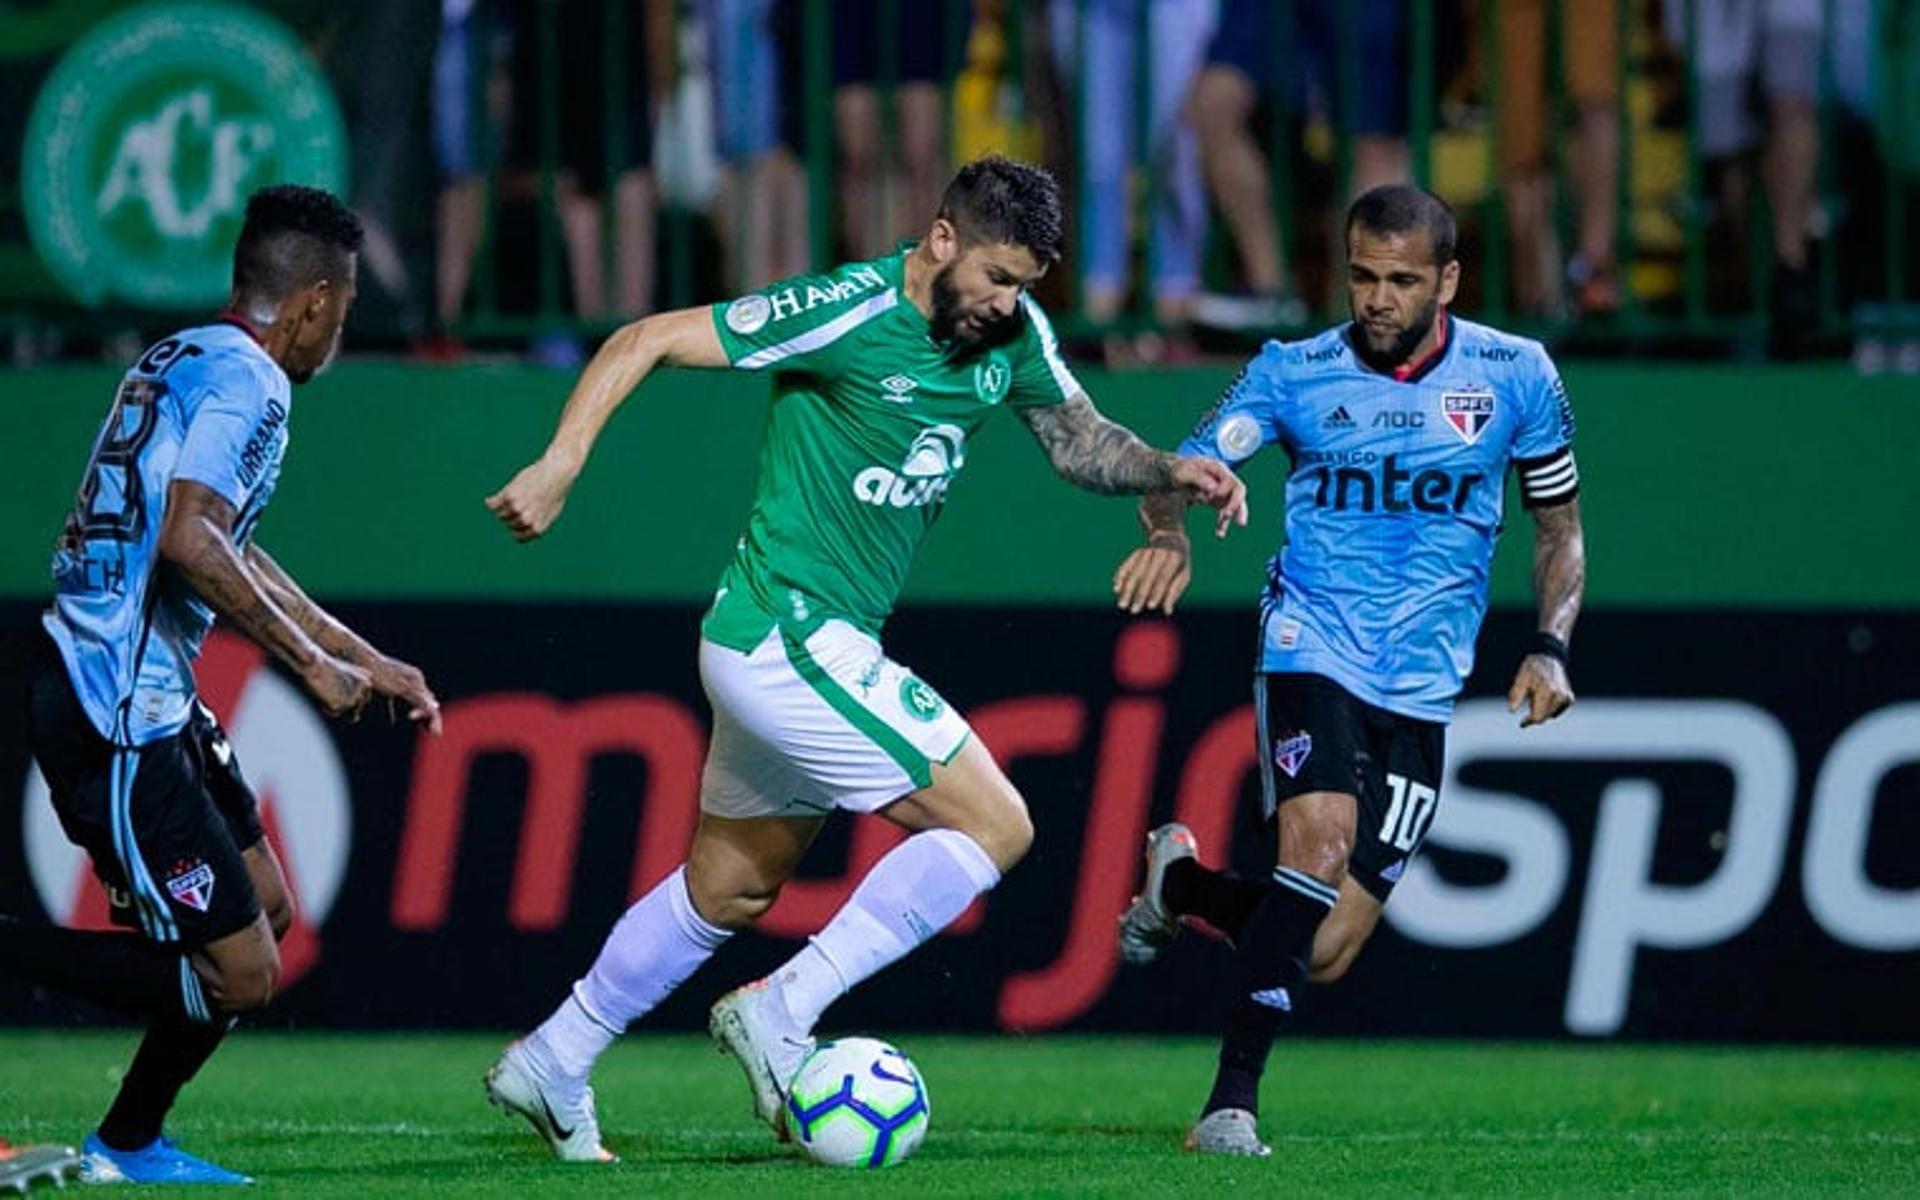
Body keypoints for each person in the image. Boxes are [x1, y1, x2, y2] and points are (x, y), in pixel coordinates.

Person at [481, 156, 1248, 1161]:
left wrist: (1166, 472)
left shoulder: (1010, 334)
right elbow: (648, 338)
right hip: (789, 632)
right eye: (999, 277)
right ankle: (784, 1009)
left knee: (730, 890)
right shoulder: (844, 308)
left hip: (790, 645)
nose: (1011, 302)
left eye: (1028, 284)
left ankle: (554, 1056)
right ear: (940, 241)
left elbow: (1077, 440)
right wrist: (563, 458)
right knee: (998, 823)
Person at [1111, 184, 1587, 1157]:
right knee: (1318, 849)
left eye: (1402, 281)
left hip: (1423, 684)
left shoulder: (1518, 375)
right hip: (1311, 644)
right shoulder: (1293, 373)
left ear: (1446, 280)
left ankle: (1185, 890)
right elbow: (1183, 466)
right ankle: (1229, 1106)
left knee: (1323, 946)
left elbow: (1560, 533)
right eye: (1362, 275)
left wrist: (1550, 642)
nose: (1376, 298)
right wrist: (1174, 530)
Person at [0, 186, 442, 1185]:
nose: (340, 328)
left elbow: (224, 538)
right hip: (111, 705)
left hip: (141, 690)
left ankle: (129, 1143)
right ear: (316, 303)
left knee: (269, 912)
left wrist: (357, 651)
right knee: (240, 971)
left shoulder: (182, 355)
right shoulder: (252, 383)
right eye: (347, 306)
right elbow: (191, 537)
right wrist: (310, 667)